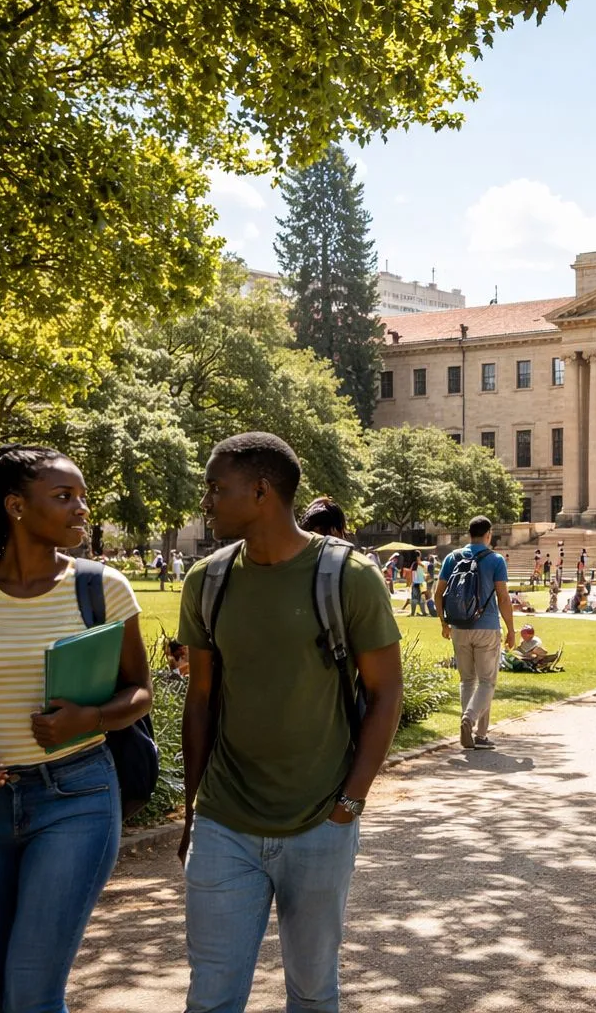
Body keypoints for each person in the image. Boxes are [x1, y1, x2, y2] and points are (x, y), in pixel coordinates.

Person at [0, 444, 152, 1012]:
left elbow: (140, 693)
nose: (81, 509)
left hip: (77, 796)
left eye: (83, 498)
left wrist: (89, 719)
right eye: (64, 497)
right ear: (17, 506)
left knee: (30, 990)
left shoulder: (102, 587)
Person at [177, 433, 402, 1012]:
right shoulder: (207, 581)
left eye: (217, 488)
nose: (208, 501)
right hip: (225, 821)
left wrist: (348, 806)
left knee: (311, 991)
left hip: (318, 822)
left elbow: (385, 694)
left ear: (260, 491)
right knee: (210, 998)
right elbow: (199, 699)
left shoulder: (347, 576)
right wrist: (192, 811)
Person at [435, 516, 515, 751]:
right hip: (487, 626)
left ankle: (478, 735)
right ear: (488, 534)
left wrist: (443, 623)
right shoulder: (496, 560)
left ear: (469, 534)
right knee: (487, 681)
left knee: (468, 680)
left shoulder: (452, 557)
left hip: (459, 627)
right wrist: (511, 629)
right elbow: (503, 597)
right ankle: (470, 722)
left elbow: (438, 593)